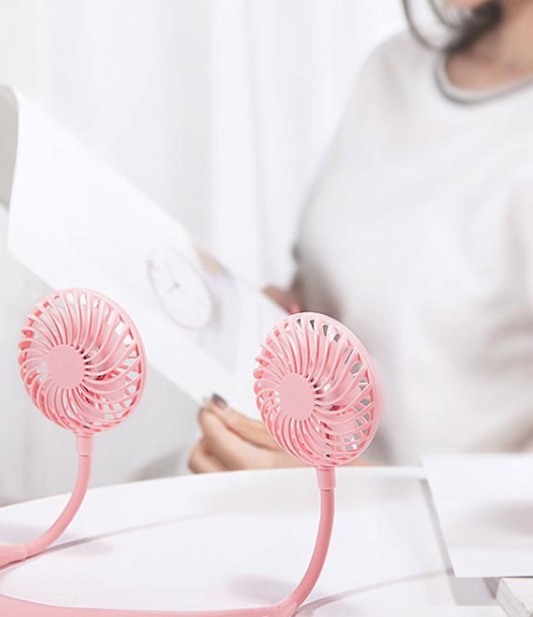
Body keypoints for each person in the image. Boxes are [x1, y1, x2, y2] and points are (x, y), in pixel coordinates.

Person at [189, 0, 533, 473]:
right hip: (295, 493)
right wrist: (275, 323)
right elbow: (335, 286)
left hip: (387, 514)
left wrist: (354, 490)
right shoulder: (394, 67)